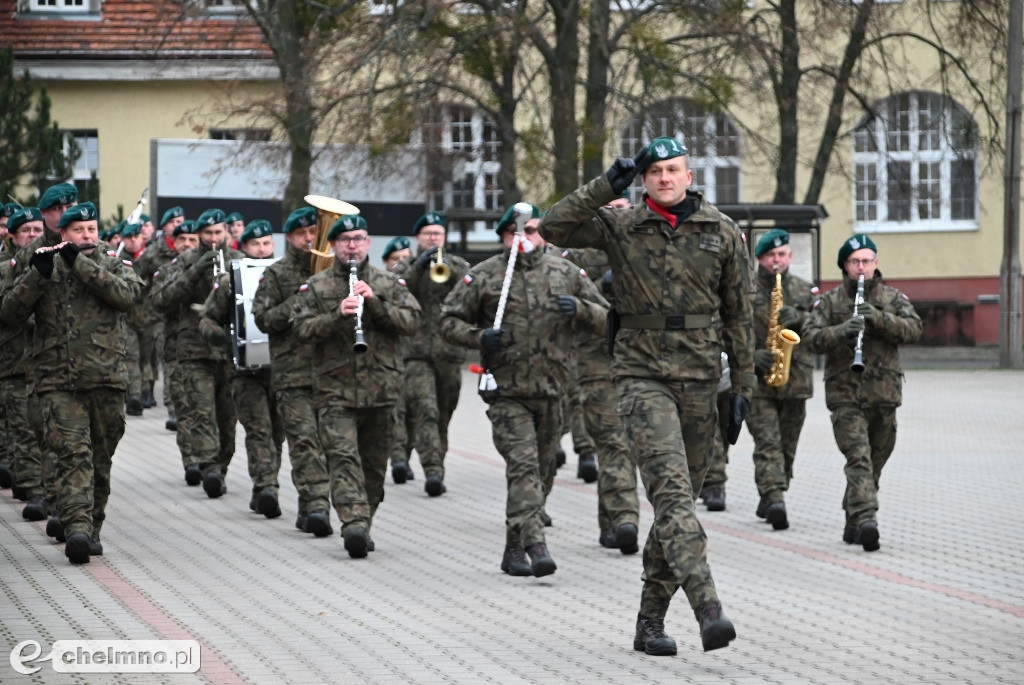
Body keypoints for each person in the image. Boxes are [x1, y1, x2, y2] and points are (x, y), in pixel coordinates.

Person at [539, 137, 754, 653]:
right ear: (644, 178)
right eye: (654, 171)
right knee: (674, 497)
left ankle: (649, 622)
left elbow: (741, 313)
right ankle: (709, 607)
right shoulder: (622, 225)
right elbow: (553, 227)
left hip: (701, 379)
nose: (663, 178)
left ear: (689, 175)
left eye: (673, 170)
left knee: (677, 508)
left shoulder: (721, 231)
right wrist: (605, 185)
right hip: (641, 376)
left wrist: (743, 386)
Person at [440, 204, 608, 578]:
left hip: (556, 390)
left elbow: (608, 316)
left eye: (532, 231)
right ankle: (535, 543)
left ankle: (513, 546)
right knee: (524, 467)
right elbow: (448, 321)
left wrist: (581, 309)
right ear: (503, 236)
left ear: (544, 236)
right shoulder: (484, 276)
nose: (525, 238)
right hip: (507, 391)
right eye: (516, 232)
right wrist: (480, 337)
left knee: (543, 471)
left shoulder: (566, 273)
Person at [0, 202, 143, 564]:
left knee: (99, 457)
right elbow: (10, 314)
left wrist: (81, 264)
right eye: (79, 230)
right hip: (57, 381)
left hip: (107, 379)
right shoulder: (44, 265)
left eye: (92, 229)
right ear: (62, 233)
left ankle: (91, 525)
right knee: (71, 454)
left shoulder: (112, 263)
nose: (87, 236)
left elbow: (126, 296)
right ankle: (77, 528)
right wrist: (37, 276)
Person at [292, 214, 421, 557]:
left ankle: (365, 519)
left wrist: (375, 303)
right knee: (343, 458)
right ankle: (353, 525)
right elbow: (300, 330)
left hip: (382, 389)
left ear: (368, 243)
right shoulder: (316, 286)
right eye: (345, 239)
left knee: (374, 466)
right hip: (335, 390)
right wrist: (337, 314)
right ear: (333, 245)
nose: (353, 245)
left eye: (359, 238)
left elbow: (412, 322)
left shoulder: (389, 282)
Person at [802, 234, 922, 552]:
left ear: (876, 263)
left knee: (875, 462)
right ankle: (868, 519)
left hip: (884, 393)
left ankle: (853, 516)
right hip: (845, 394)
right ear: (844, 265)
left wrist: (880, 319)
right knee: (859, 457)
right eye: (855, 262)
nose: (861, 267)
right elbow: (810, 336)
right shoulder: (829, 302)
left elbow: (914, 330)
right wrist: (841, 331)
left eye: (866, 261)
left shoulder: (894, 297)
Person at [252, 206, 333, 536]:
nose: (310, 238)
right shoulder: (276, 274)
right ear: (290, 237)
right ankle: (317, 506)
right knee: (304, 443)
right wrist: (298, 300)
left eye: (315, 232)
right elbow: (263, 319)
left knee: (328, 444)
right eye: (303, 234)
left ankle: (309, 504)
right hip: (291, 375)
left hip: (330, 374)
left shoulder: (335, 272)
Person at [151, 209, 242, 498]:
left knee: (227, 421)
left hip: (229, 352)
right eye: (208, 234)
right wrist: (195, 271)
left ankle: (221, 468)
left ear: (226, 233)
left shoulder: (239, 263)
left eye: (218, 233)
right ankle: (209, 467)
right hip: (193, 351)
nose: (213, 239)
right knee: (202, 414)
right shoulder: (185, 261)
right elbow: (161, 300)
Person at [200, 219, 286, 519]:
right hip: (244, 371)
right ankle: (266, 487)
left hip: (281, 370)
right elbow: (207, 319)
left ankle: (263, 487)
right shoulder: (231, 280)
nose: (262, 250)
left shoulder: (285, 277)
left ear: (273, 246)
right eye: (255, 245)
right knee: (258, 429)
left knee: (277, 433)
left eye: (266, 244)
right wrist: (228, 339)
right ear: (244, 247)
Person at [741, 228, 817, 529]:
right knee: (767, 442)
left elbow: (821, 329)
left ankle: (773, 488)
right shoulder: (743, 290)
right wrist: (750, 357)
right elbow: (726, 332)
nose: (777, 261)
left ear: (790, 257)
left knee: (787, 447)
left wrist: (801, 319)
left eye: (782, 255)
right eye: (771, 255)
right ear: (760, 258)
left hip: (795, 380)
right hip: (757, 382)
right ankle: (774, 498)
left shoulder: (804, 289)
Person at [392, 211, 471, 496]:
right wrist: (417, 269)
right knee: (426, 409)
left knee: (443, 415)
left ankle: (436, 459)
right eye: (428, 234)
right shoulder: (405, 267)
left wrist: (448, 269)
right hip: (414, 353)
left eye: (438, 234)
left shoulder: (458, 266)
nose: (433, 238)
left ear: (444, 238)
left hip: (449, 352)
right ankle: (433, 471)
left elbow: (469, 297)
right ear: (418, 238)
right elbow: (394, 291)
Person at [0, 207, 47, 519]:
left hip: (45, 362)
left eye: (37, 229)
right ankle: (30, 484)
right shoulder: (6, 268)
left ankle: (34, 483)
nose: (33, 235)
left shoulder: (52, 264)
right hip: (13, 361)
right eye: (26, 231)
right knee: (20, 425)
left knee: (39, 426)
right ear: (13, 237)